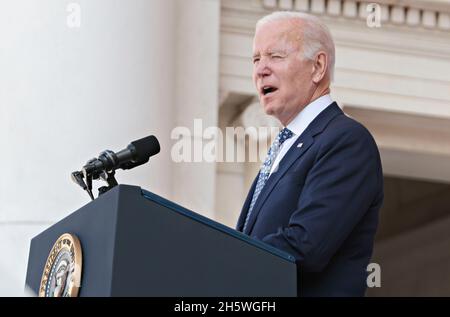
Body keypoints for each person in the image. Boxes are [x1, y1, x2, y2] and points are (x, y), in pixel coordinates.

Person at [236, 11, 384, 297]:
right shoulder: (286, 145)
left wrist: (223, 259)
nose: (261, 70)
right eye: (256, 59)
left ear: (317, 67)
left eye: (275, 56)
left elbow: (306, 246)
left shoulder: (346, 141)